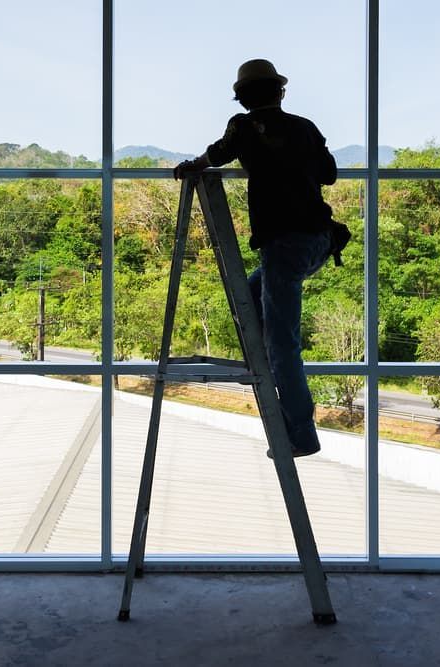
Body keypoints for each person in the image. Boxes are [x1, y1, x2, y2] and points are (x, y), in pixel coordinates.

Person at [174, 58, 337, 458]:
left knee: (283, 344)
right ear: (280, 93)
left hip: (282, 244)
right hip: (319, 239)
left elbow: (218, 154)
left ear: (243, 97)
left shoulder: (244, 127)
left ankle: (300, 432)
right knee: (250, 295)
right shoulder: (304, 127)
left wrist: (192, 167)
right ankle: (269, 371)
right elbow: (329, 174)